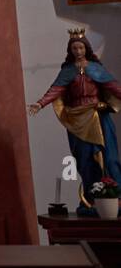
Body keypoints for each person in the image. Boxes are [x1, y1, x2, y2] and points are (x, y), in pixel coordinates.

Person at [28, 30, 121, 215]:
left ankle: (115, 200)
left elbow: (113, 87)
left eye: (80, 47)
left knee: (109, 158)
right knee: (86, 162)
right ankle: (90, 200)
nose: (78, 51)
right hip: (79, 121)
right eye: (74, 48)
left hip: (98, 118)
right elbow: (55, 90)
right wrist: (40, 103)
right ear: (70, 51)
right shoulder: (68, 71)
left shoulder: (96, 68)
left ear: (86, 48)